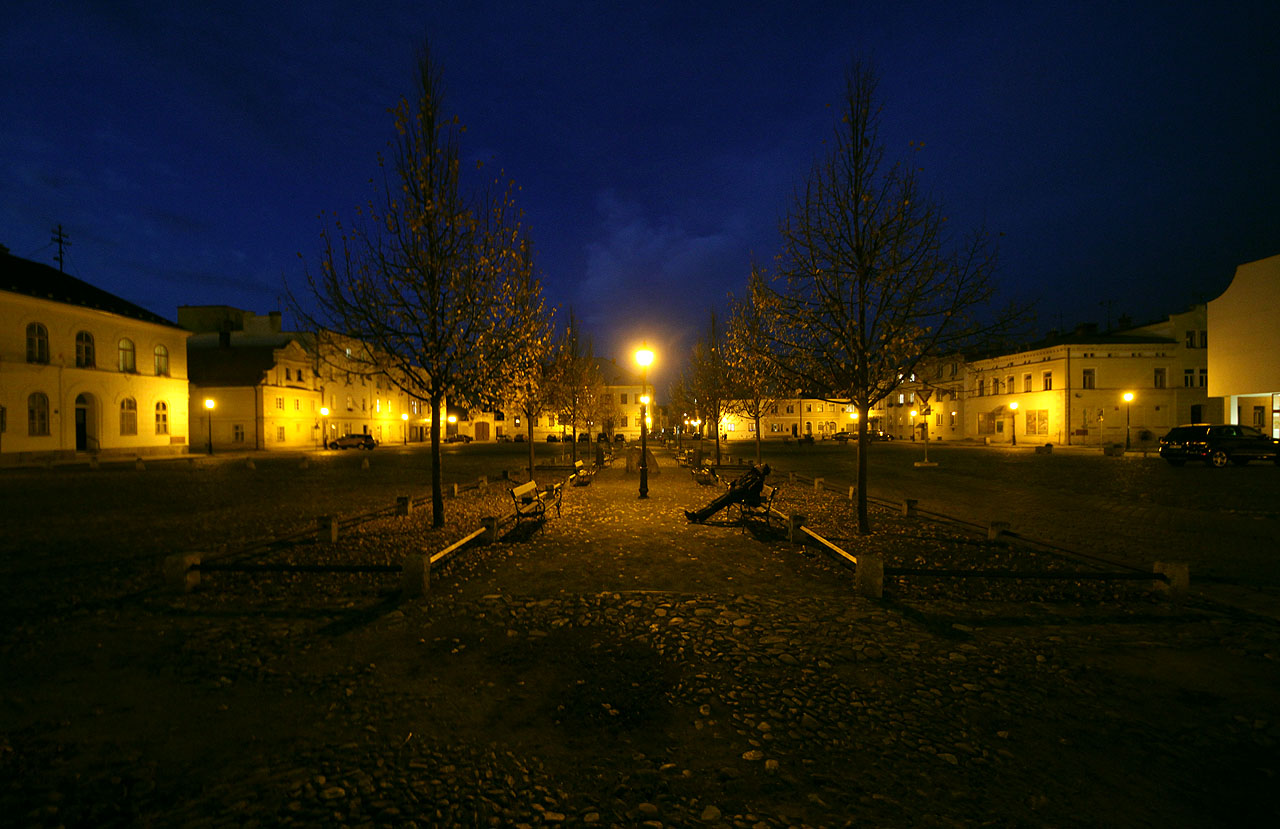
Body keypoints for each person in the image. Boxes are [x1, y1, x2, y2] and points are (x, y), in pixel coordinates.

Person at [685, 463, 771, 523]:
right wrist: (732, 485)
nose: (757, 465)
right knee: (715, 503)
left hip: (743, 498)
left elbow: (747, 491)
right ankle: (698, 516)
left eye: (760, 465)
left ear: (761, 470)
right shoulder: (752, 475)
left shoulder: (757, 480)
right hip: (737, 494)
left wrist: (733, 490)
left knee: (716, 504)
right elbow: (740, 481)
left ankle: (697, 516)